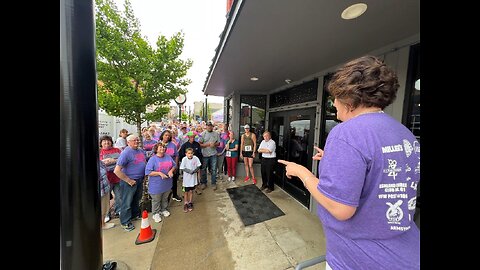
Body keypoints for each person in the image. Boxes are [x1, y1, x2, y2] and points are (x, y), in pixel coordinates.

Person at [278, 55, 420, 270]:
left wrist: (302, 173)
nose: (333, 103)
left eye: (335, 97)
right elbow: (384, 171)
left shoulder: (346, 133)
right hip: (406, 252)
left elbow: (340, 208)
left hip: (360, 258)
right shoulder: (404, 133)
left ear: (350, 100)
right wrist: (335, 160)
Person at [114, 134, 147, 232]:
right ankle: (125, 222)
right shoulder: (126, 153)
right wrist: (128, 180)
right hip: (129, 182)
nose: (136, 142)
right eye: (134, 140)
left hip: (139, 180)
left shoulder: (140, 150)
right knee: (127, 203)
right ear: (128, 142)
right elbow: (117, 171)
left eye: (137, 140)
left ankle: (134, 215)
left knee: (136, 199)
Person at [145, 142, 176, 223]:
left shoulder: (168, 156)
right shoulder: (153, 159)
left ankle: (164, 209)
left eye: (163, 147)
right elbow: (148, 172)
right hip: (156, 184)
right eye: (160, 147)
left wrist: (171, 171)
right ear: (156, 149)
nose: (162, 149)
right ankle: (156, 213)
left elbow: (174, 165)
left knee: (165, 198)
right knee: (156, 199)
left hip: (167, 183)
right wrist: (159, 173)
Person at [198, 121, 220, 190]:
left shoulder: (216, 134)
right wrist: (207, 145)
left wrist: (215, 144)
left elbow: (218, 143)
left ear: (212, 127)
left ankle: (213, 183)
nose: (209, 127)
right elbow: (199, 144)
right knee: (203, 169)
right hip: (205, 155)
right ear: (206, 126)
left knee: (213, 169)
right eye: (208, 126)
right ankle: (203, 183)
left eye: (210, 126)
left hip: (213, 154)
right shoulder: (203, 134)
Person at [179, 148, 202, 212]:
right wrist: (189, 171)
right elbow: (182, 167)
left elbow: (199, 165)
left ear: (193, 153)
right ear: (186, 154)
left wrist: (195, 170)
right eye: (188, 153)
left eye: (191, 153)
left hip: (193, 179)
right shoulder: (184, 159)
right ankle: (185, 203)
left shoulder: (195, 158)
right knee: (186, 192)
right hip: (186, 180)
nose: (190, 155)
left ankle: (190, 202)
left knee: (191, 191)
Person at [99, 160, 115, 230]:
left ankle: (103, 223)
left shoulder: (99, 161)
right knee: (103, 207)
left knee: (105, 207)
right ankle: (102, 224)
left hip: (105, 188)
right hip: (101, 190)